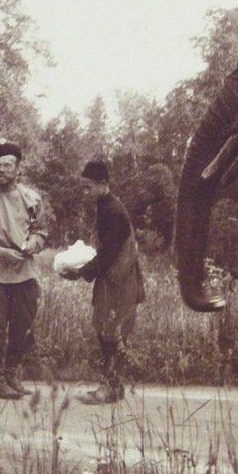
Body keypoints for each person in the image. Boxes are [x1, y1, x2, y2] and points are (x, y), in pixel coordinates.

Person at [0, 139, 48, 399]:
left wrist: (32, 245)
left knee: (23, 327)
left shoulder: (31, 199)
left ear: (18, 169)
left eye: (7, 165)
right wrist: (2, 253)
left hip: (25, 274)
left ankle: (12, 374)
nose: (2, 170)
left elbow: (41, 232)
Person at [66, 160, 145, 404]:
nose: (85, 192)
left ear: (103, 184)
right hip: (114, 279)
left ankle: (109, 388)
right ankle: (114, 387)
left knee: (111, 333)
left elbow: (109, 253)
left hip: (119, 281)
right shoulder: (104, 206)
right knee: (106, 331)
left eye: (88, 187)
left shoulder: (113, 211)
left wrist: (81, 272)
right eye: (83, 187)